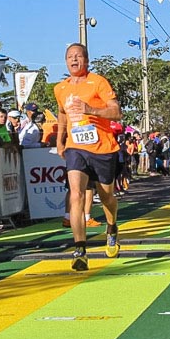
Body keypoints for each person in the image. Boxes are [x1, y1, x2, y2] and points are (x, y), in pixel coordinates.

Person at [55, 43, 123, 271]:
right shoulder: (61, 88)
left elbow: (116, 112)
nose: (74, 60)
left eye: (79, 56)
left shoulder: (98, 82)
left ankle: (112, 227)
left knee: (107, 198)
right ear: (65, 61)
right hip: (76, 148)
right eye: (70, 57)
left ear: (86, 60)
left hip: (103, 148)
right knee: (76, 194)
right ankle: (80, 249)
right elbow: (62, 114)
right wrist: (60, 138)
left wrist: (90, 110)